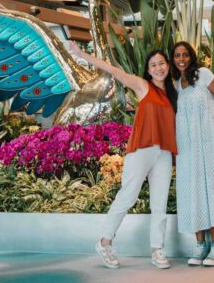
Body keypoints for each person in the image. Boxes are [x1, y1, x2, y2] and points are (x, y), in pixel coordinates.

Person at [67, 42, 178, 270]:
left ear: (168, 66)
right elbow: (113, 70)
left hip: (164, 153)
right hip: (142, 150)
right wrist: (82, 55)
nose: (158, 68)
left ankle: (157, 249)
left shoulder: (173, 92)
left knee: (160, 204)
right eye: (154, 65)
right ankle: (105, 242)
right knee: (128, 196)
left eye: (162, 63)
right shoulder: (142, 86)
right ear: (148, 70)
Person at [171, 41, 214, 266]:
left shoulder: (203, 74)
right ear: (173, 60)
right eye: (177, 55)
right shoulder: (176, 85)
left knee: (213, 187)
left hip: (211, 140)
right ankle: (201, 246)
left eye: (185, 55)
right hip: (188, 145)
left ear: (191, 57)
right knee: (192, 191)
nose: (181, 59)